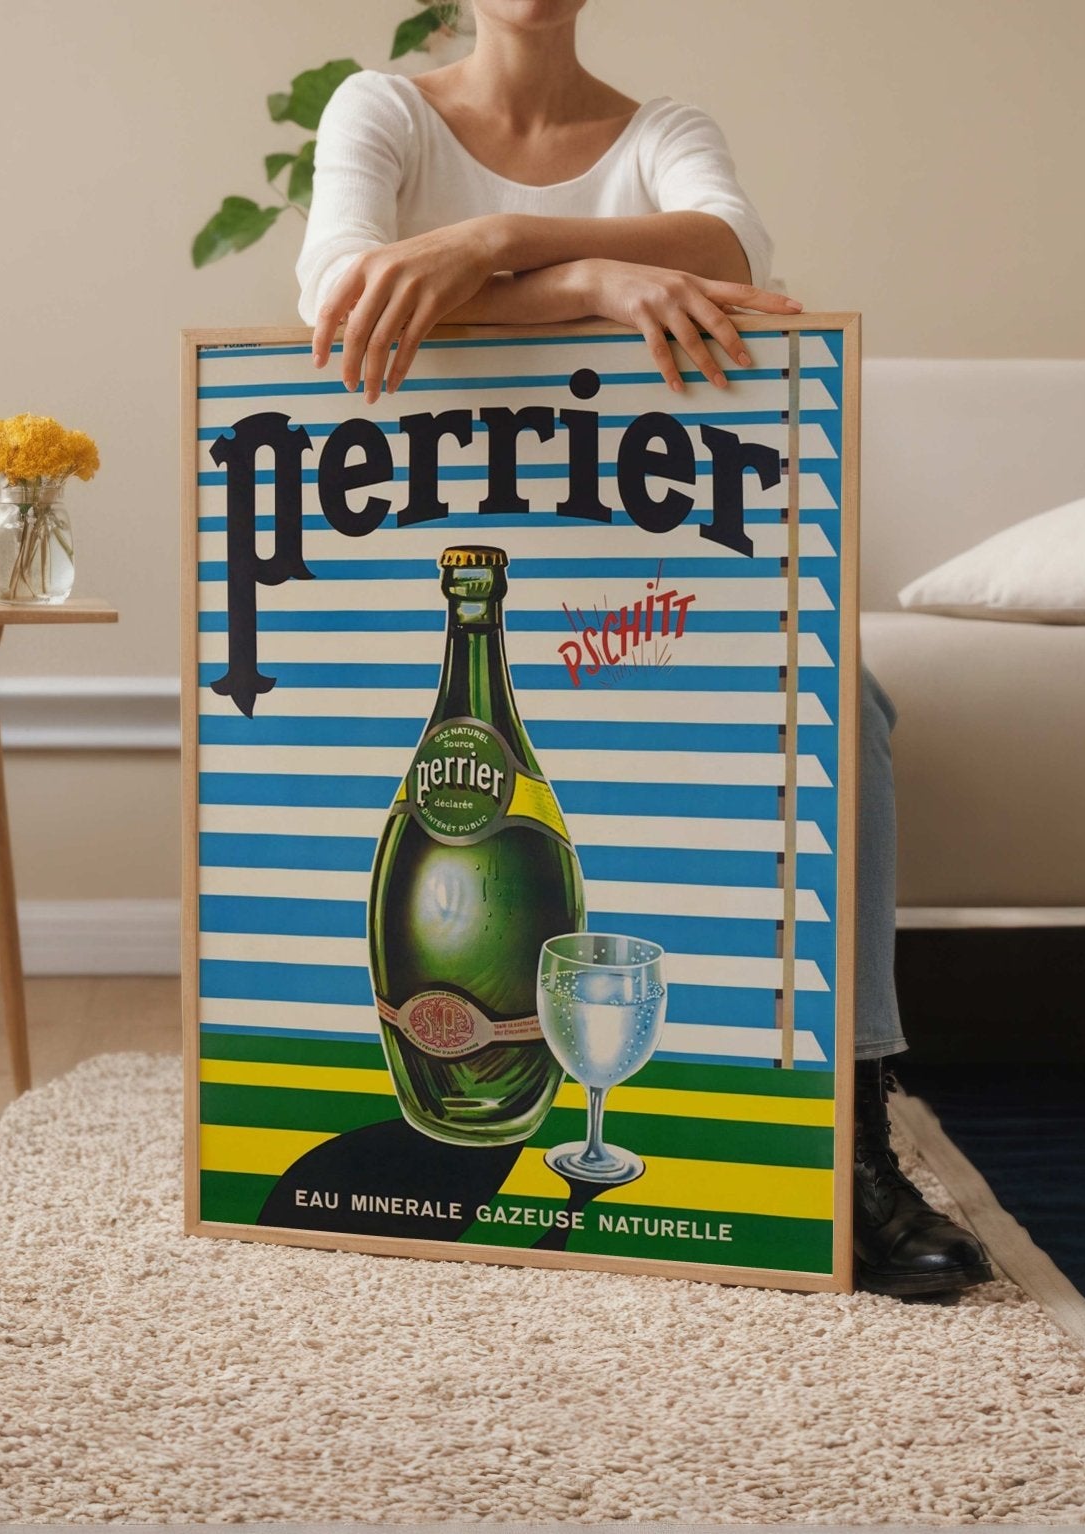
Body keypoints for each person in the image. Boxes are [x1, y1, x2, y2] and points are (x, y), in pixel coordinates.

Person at [297, 0, 992, 1297]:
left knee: (841, 701)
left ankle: (850, 1139)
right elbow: (344, 292)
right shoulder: (381, 110)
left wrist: (495, 244)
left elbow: (727, 248)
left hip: (646, 564)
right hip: (440, 550)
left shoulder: (664, 131)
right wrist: (599, 287)